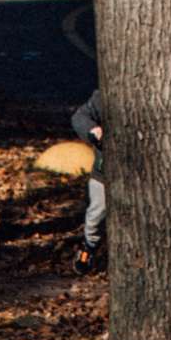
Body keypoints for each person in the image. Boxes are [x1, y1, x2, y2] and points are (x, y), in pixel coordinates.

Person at [69, 84, 105, 275]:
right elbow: (80, 117)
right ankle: (89, 245)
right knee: (97, 214)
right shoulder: (102, 97)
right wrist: (92, 130)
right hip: (103, 174)